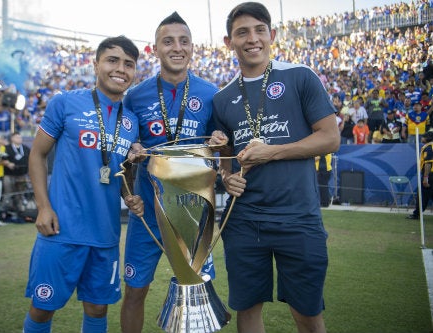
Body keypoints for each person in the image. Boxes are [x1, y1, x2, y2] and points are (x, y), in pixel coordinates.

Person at [210, 2, 340, 332]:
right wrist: (227, 178)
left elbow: (329, 138)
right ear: (229, 42)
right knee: (248, 310)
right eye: (242, 32)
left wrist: (271, 153)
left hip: (298, 218)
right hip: (244, 220)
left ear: (272, 35)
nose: (252, 38)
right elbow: (226, 157)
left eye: (259, 30)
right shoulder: (222, 98)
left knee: (308, 313)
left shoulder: (300, 76)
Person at [22, 36, 144, 333]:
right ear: (96, 64)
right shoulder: (65, 102)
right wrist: (43, 207)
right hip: (62, 228)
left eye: (128, 64)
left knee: (97, 308)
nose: (120, 69)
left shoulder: (131, 121)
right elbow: (37, 155)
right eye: (112, 60)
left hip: (105, 233)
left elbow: (120, 172)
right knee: (42, 307)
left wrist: (131, 193)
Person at [120, 12, 218, 333]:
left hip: (193, 215)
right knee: (135, 292)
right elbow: (126, 154)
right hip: (148, 214)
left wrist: (220, 144)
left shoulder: (212, 94)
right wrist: (131, 171)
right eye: (168, 41)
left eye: (184, 41)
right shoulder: (135, 96)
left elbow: (221, 148)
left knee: (196, 292)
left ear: (193, 47)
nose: (177, 47)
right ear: (155, 49)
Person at [2, 132, 31, 215]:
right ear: (12, 139)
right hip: (9, 175)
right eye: (17, 137)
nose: (20, 139)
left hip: (22, 175)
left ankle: (20, 211)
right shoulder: (6, 148)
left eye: (20, 137)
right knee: (8, 193)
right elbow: (2, 159)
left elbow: (30, 160)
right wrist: (8, 163)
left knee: (20, 194)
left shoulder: (26, 148)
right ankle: (4, 211)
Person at [408, 130, 433, 220]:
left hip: (429, 175)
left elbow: (428, 164)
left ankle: (416, 214)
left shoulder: (429, 148)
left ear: (428, 138)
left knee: (422, 195)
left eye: (423, 137)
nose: (422, 138)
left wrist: (425, 177)